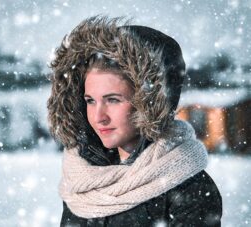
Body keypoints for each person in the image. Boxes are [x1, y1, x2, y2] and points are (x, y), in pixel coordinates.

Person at [47, 16, 222, 226]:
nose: (98, 116)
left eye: (113, 100)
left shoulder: (187, 188)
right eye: (90, 101)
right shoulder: (82, 181)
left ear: (149, 103)